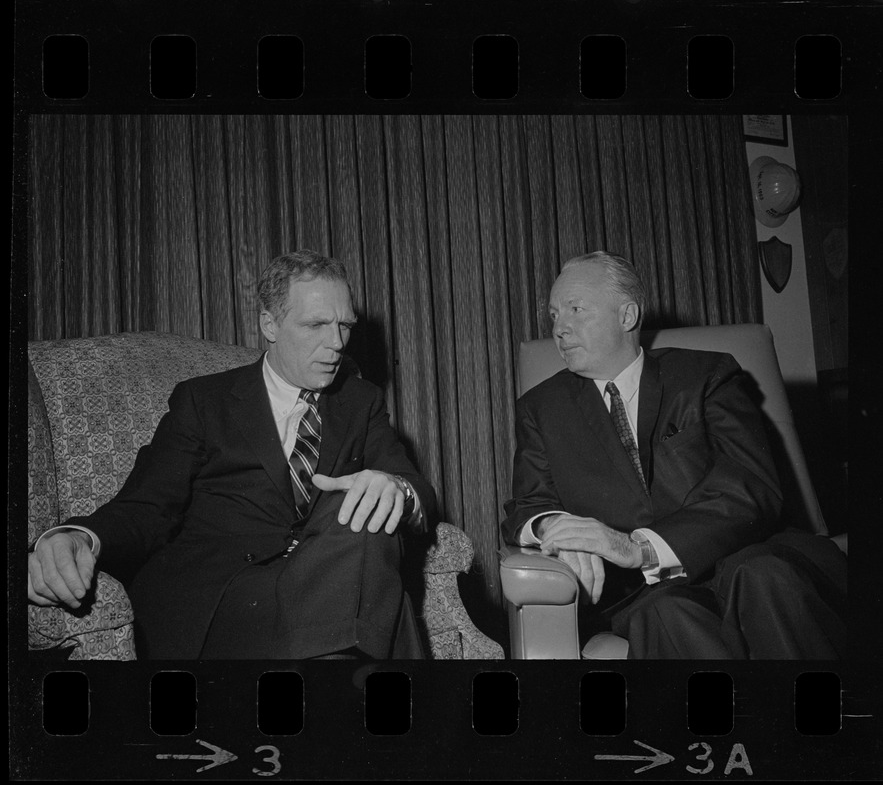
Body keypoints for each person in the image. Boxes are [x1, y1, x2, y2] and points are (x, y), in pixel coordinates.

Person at [28, 251, 437, 660]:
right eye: (316, 325)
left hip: (327, 583)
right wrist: (80, 536)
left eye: (345, 326)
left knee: (366, 508)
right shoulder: (205, 401)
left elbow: (416, 487)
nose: (336, 344)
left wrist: (393, 488)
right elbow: (147, 506)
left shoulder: (361, 402)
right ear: (269, 324)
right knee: (382, 606)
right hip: (226, 595)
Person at [502, 251, 847, 659]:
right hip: (642, 593)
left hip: (750, 555)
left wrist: (641, 547)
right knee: (664, 613)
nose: (560, 327)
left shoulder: (707, 376)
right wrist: (557, 527)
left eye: (576, 309)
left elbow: (750, 487)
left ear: (627, 316)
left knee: (762, 575)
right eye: (554, 314)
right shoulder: (541, 408)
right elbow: (527, 506)